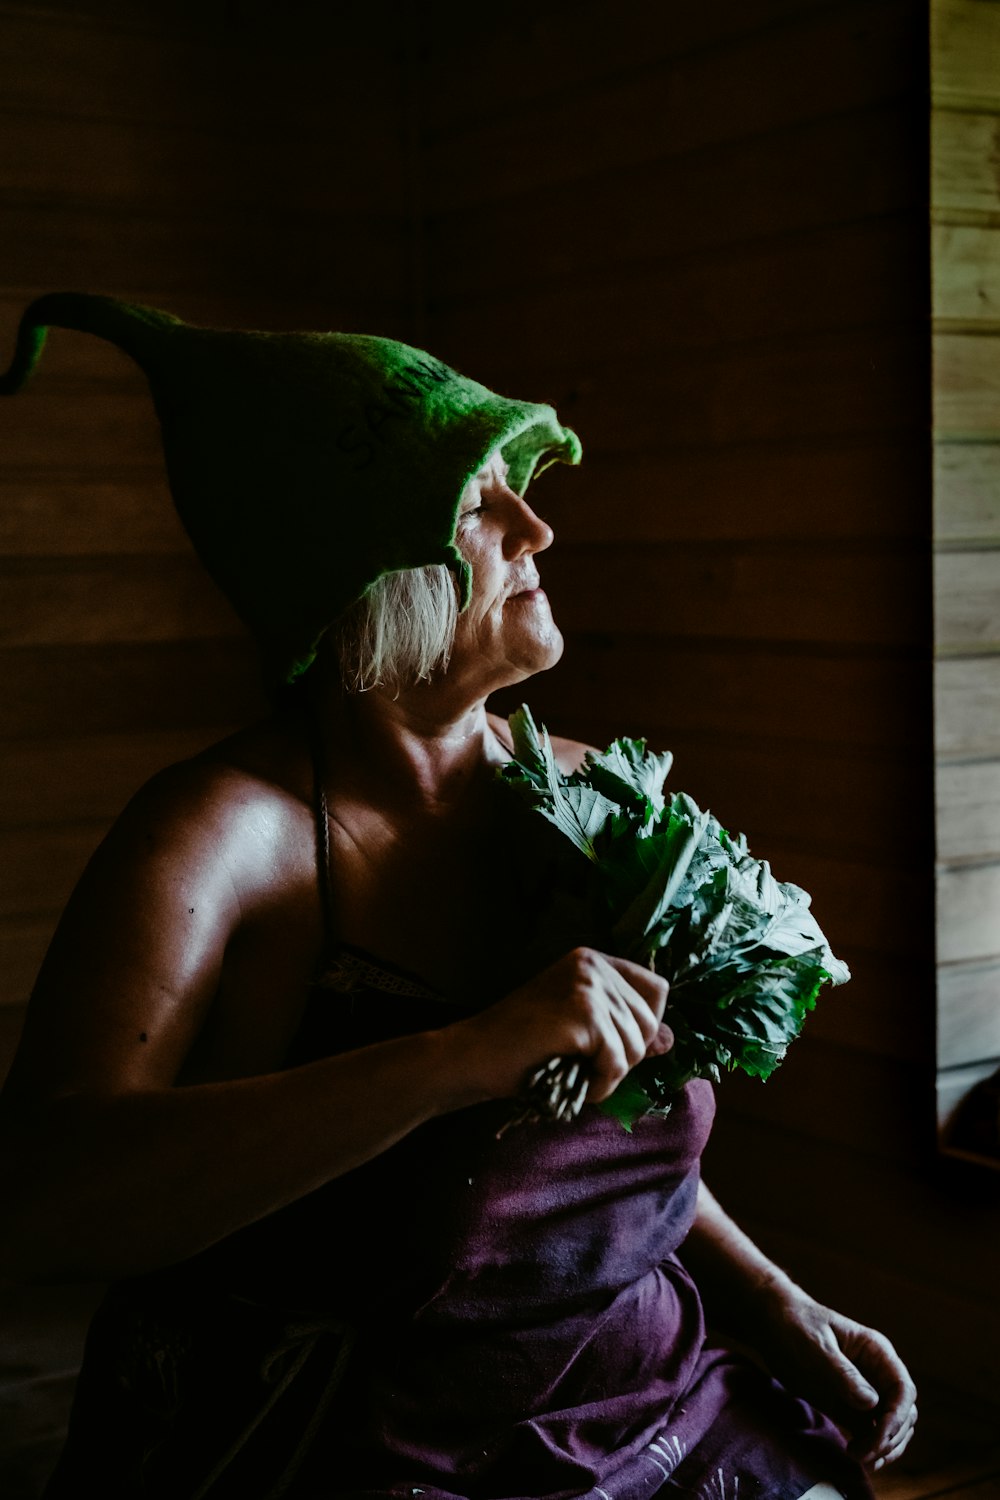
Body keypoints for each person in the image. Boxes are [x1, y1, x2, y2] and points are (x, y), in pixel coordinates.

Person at [0, 296, 916, 1500]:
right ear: (364, 576)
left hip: (645, 1399)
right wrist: (451, 1059)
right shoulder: (224, 839)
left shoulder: (590, 798)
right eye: (480, 505)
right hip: (351, 1435)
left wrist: (772, 1299)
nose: (536, 525)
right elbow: (47, 1199)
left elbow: (616, 1144)